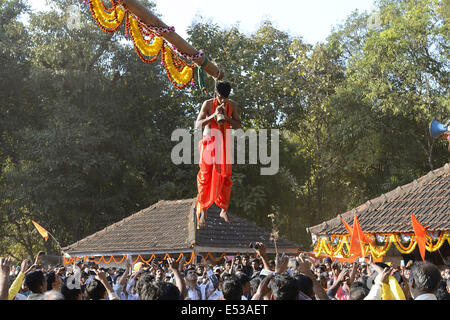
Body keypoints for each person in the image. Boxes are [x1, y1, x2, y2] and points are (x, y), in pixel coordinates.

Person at [195, 81, 242, 228]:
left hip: (224, 143)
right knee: (205, 176)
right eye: (221, 97)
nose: (223, 101)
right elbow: (197, 124)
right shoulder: (208, 104)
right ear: (216, 94)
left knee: (226, 176)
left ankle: (223, 209)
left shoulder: (232, 105)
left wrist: (226, 117)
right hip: (209, 142)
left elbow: (238, 125)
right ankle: (203, 210)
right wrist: (214, 115)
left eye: (226, 98)